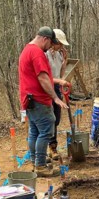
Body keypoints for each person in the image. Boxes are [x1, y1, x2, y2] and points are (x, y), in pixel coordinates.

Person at [20, 27, 68, 176]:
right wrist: (55, 97)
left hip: (29, 98)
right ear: (45, 39)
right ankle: (40, 165)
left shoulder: (27, 49)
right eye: (50, 43)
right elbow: (43, 78)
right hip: (38, 99)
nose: (50, 47)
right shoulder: (37, 53)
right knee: (47, 129)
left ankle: (36, 162)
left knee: (34, 131)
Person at [45, 28, 72, 162]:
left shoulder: (58, 55)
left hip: (56, 87)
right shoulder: (45, 55)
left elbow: (61, 75)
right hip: (46, 88)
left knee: (56, 119)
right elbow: (45, 77)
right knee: (48, 119)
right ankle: (49, 148)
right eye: (59, 44)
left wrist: (64, 61)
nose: (61, 47)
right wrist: (60, 81)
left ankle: (53, 146)